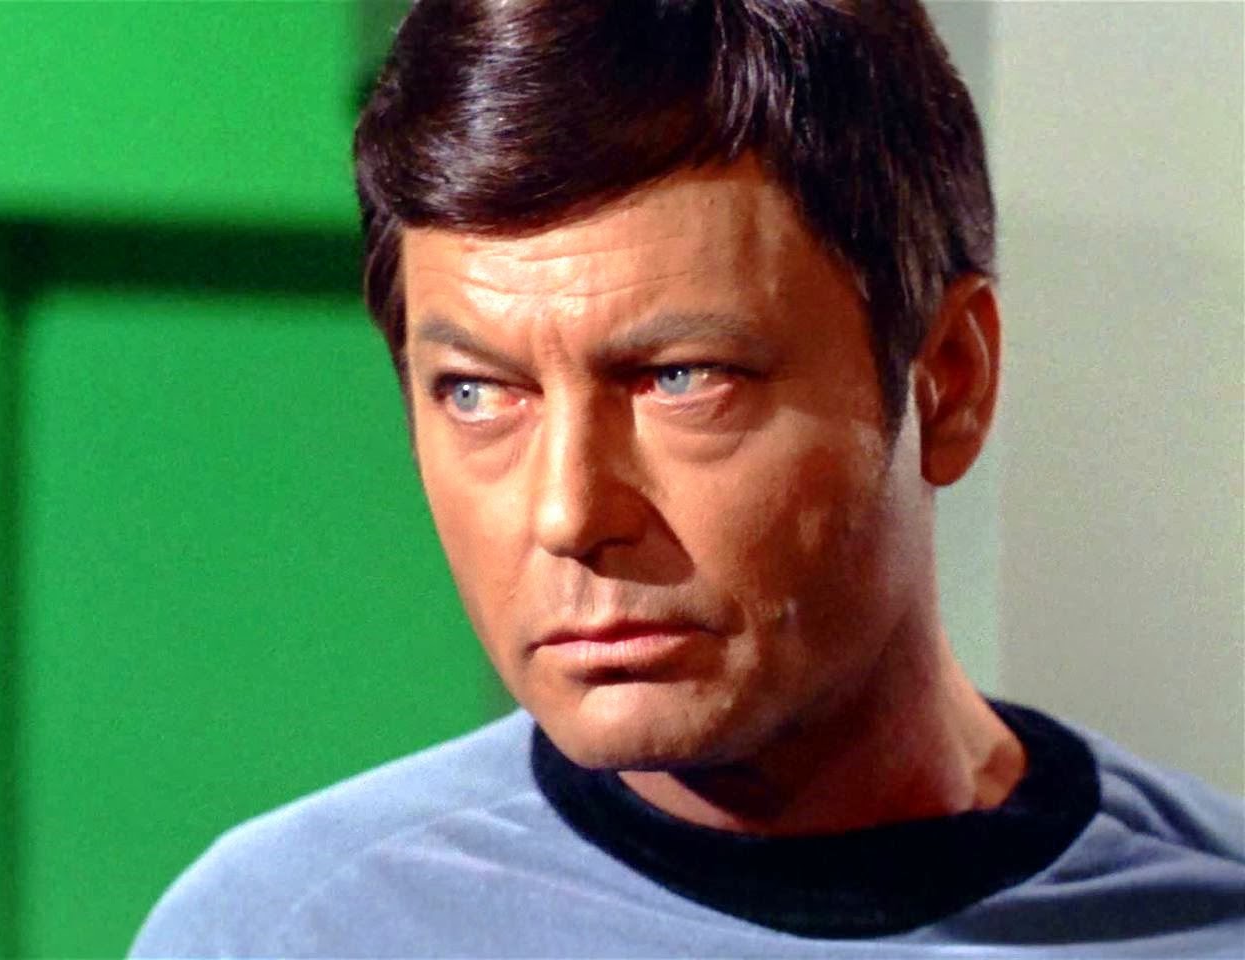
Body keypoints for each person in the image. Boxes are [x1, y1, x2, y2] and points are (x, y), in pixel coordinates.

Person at [130, 1, 1245, 955]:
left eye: (681, 378)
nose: (568, 513)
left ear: (947, 380)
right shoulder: (286, 933)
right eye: (476, 392)